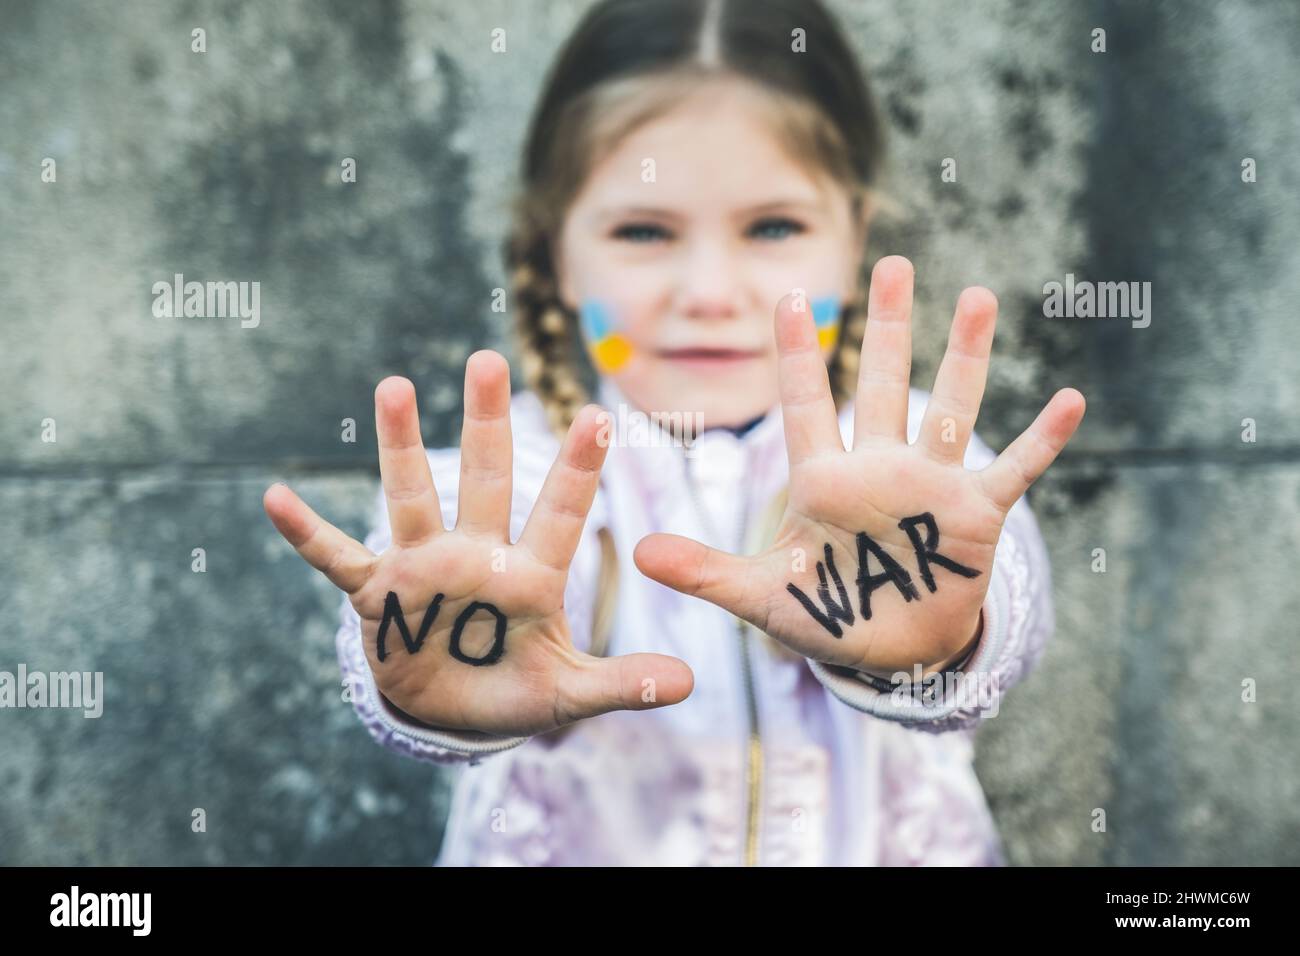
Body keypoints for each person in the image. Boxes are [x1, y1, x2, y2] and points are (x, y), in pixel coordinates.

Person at [263, 0, 1086, 865]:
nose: (708, 290)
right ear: (555, 258)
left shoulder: (926, 456)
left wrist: (950, 645)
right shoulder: (514, 476)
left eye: (773, 226)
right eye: (644, 231)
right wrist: (448, 666)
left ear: (854, 236)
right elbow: (492, 577)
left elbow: (1009, 599)